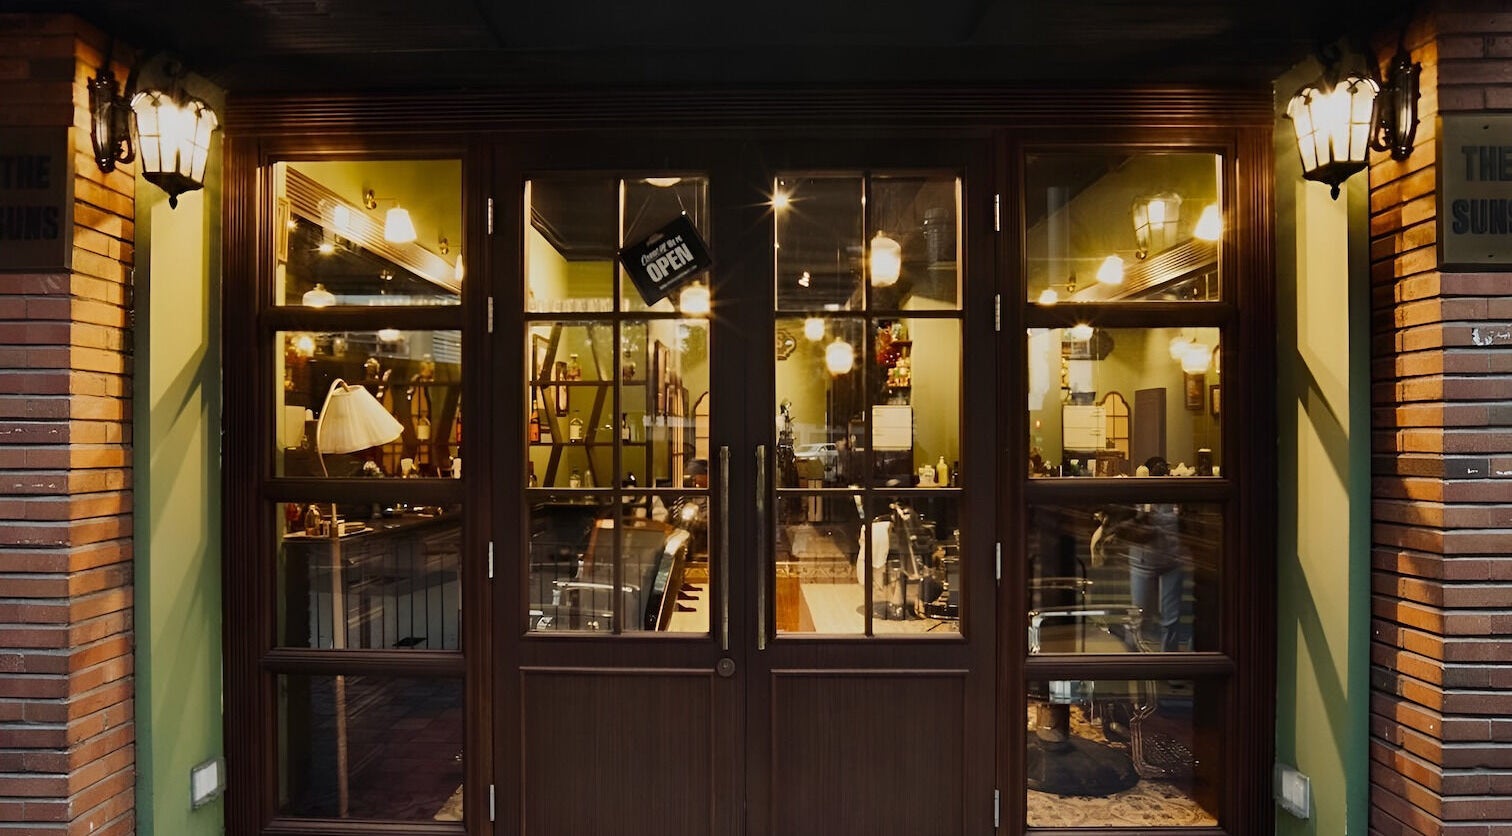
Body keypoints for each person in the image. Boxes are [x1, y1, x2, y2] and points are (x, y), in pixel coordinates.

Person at [1099, 456, 1190, 652]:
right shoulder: (1146, 493)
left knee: (1161, 615)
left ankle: (1161, 660)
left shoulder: (1169, 495)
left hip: (1161, 558)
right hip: (1153, 558)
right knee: (1146, 615)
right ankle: (1137, 652)